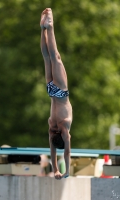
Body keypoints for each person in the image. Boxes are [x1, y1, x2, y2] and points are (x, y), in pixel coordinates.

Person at [40, 8, 73, 180]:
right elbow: (53, 151)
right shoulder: (52, 127)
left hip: (61, 93)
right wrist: (56, 170)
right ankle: (43, 29)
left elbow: (67, 152)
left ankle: (50, 27)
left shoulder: (64, 127)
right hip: (51, 93)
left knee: (55, 57)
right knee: (47, 58)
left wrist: (67, 171)